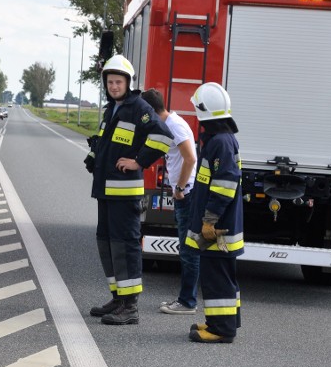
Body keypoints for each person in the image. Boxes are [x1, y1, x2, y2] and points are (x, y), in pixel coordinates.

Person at [84, 55, 174, 325]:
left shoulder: (139, 107)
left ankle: (130, 307)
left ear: (127, 83)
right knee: (107, 244)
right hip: (105, 190)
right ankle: (118, 297)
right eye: (110, 82)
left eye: (118, 82)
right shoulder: (112, 109)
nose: (113, 86)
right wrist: (92, 158)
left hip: (124, 192)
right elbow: (102, 140)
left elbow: (163, 137)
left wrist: (138, 161)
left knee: (125, 247)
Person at [184, 82, 244, 343]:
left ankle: (221, 330)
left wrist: (209, 220)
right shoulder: (222, 139)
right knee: (222, 275)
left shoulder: (220, 142)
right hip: (222, 225)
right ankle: (223, 322)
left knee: (216, 278)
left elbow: (224, 184)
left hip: (219, 228)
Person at [140, 88, 198, 315]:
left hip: (188, 195)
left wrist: (181, 189)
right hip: (185, 194)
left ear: (151, 111)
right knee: (187, 250)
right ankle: (185, 299)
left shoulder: (174, 125)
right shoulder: (170, 123)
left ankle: (187, 303)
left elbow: (190, 158)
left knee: (188, 250)